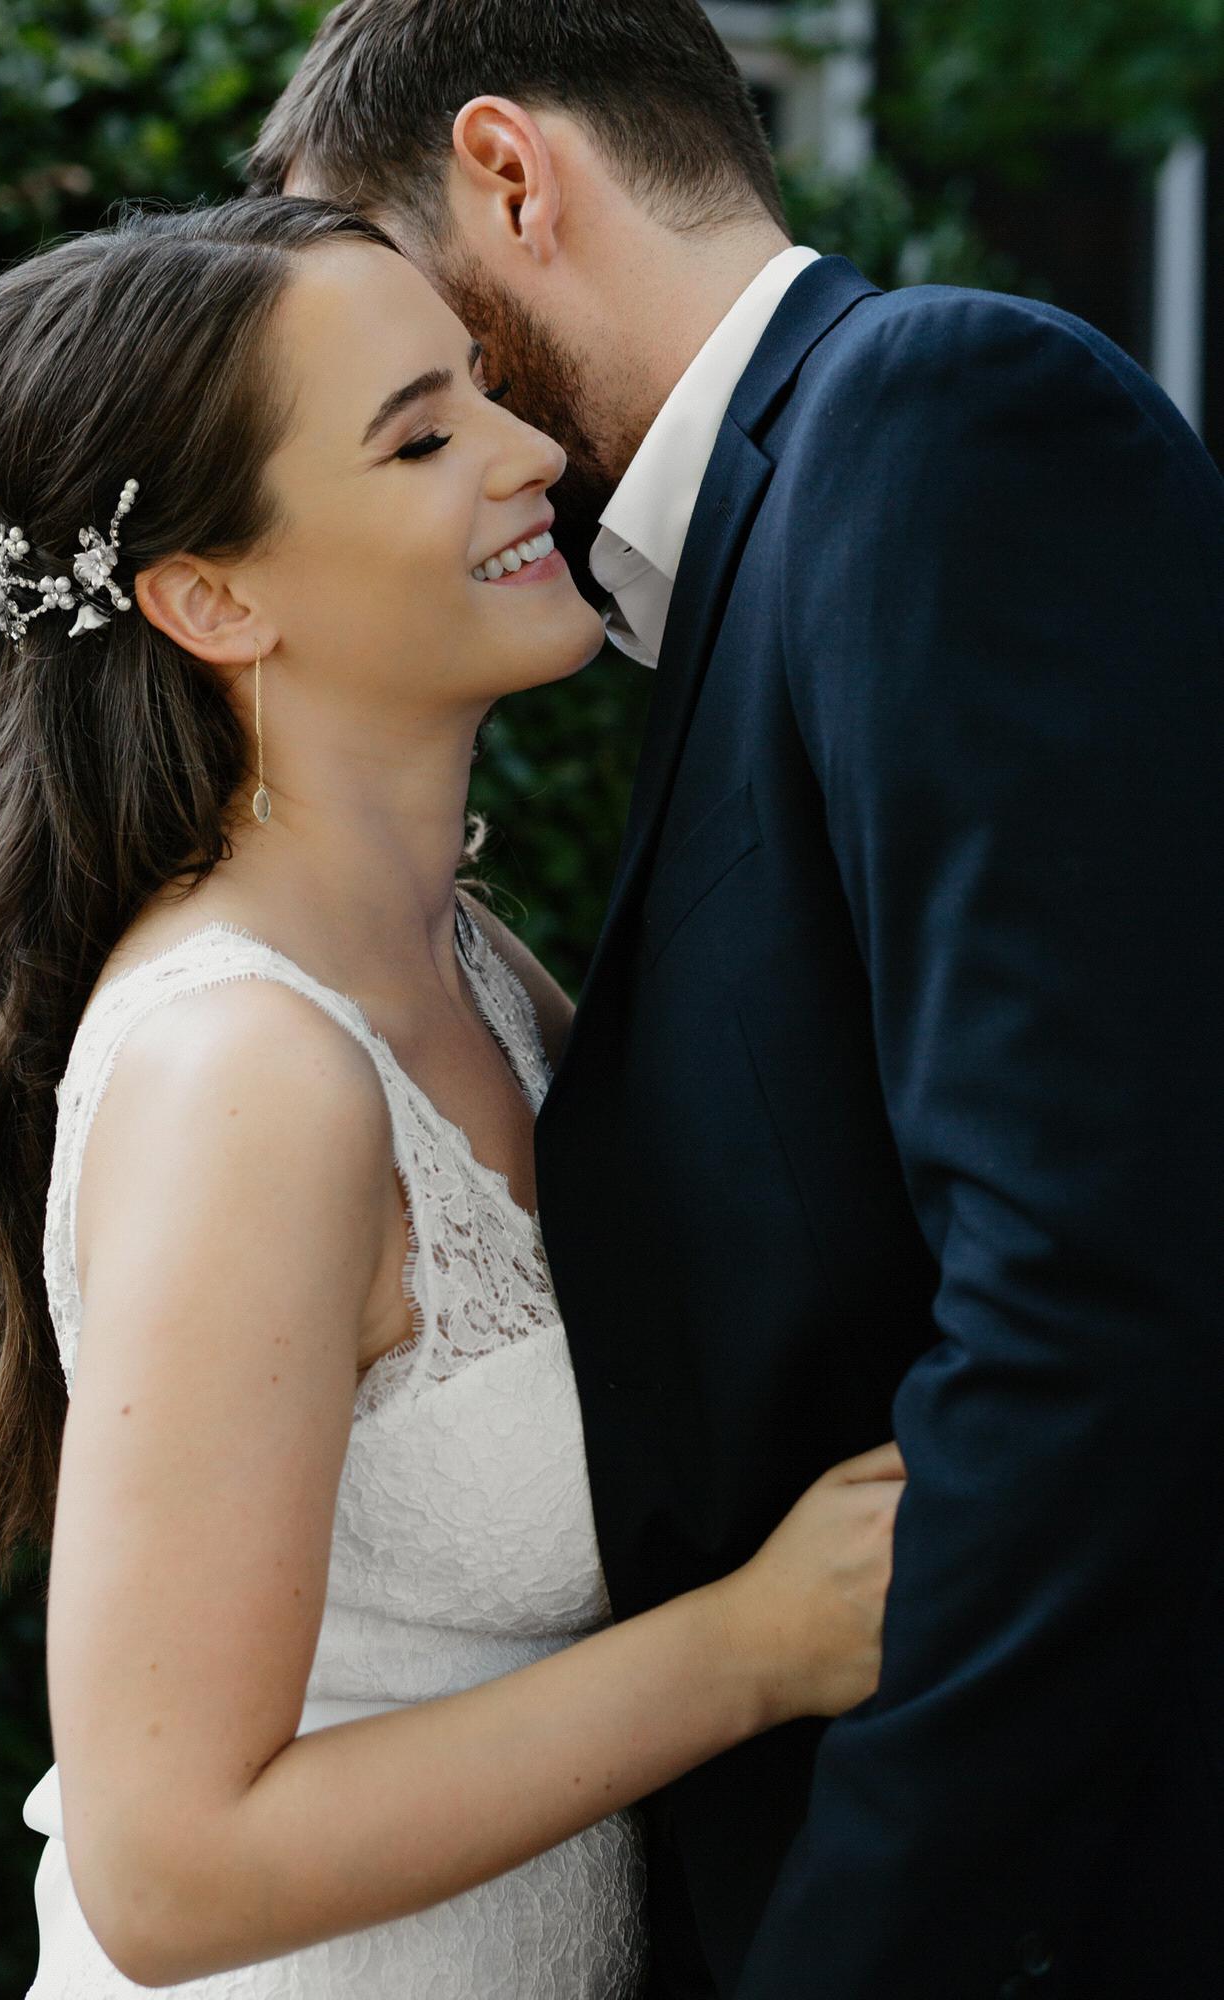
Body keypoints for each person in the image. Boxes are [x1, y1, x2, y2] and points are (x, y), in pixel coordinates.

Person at [248, 1, 1224, 1995]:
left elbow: (1087, 1291)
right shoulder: (756, 545)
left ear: (508, 174)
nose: (421, 395)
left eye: (395, 306)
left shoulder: (934, 422)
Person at [0, 195, 905, 1998]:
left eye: (484, 390)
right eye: (422, 439)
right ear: (214, 600)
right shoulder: (247, 1075)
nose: (533, 454)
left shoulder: (464, 964)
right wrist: (756, 1649)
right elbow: (167, 1869)